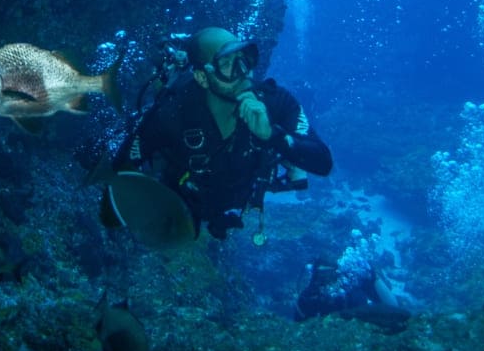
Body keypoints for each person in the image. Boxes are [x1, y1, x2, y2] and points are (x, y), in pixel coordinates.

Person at [113, 27, 332, 240]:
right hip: (185, 204)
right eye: (226, 64)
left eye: (244, 58)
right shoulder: (174, 112)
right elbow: (122, 168)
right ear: (202, 77)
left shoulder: (276, 102)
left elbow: (323, 162)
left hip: (239, 195)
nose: (242, 72)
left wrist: (273, 135)